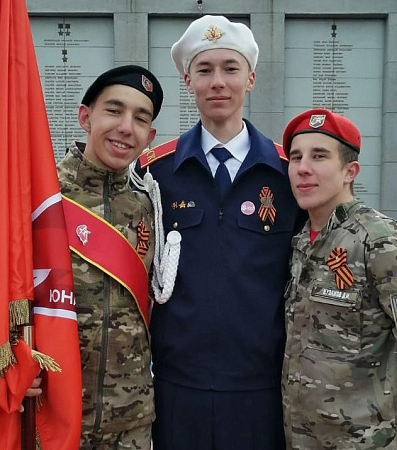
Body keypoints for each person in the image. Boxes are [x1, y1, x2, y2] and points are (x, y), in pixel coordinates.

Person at [133, 15, 301, 450]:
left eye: (230, 68)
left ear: (251, 79)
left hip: (262, 385)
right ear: (188, 81)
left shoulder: (287, 174)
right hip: (177, 384)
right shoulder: (154, 173)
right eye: (205, 70)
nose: (218, 82)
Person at [281, 108, 397, 449]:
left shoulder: (378, 239)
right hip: (302, 437)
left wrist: (377, 390)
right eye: (296, 157)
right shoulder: (302, 240)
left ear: (350, 171)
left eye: (319, 156)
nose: (303, 168)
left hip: (366, 439)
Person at [57, 65, 163, 449]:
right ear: (85, 117)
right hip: (52, 414)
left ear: (149, 136)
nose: (126, 127)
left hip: (130, 421)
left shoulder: (149, 207)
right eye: (114, 111)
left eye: (140, 119)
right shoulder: (39, 198)